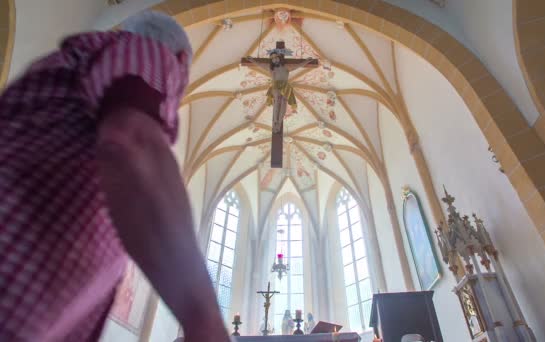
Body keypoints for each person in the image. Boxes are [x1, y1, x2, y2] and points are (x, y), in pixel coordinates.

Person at [0, 11, 228, 342]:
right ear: (180, 62)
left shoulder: (64, 76)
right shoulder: (143, 52)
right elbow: (131, 142)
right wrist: (205, 321)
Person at [246, 49, 313, 133]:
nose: (274, 60)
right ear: (272, 61)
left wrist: (306, 61)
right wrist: (252, 60)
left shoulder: (286, 67)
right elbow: (260, 65)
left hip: (285, 87)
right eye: (273, 59)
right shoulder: (271, 69)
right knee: (276, 103)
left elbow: (298, 66)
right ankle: (275, 122)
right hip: (276, 86)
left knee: (283, 104)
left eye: (276, 58)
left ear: (279, 58)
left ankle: (279, 122)